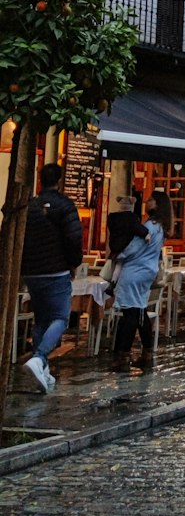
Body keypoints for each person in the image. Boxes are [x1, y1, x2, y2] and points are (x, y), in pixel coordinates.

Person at [20, 162, 82, 394]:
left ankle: (43, 370)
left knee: (41, 320)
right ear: (60, 180)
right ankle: (39, 357)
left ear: (39, 179)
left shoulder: (30, 206)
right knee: (60, 318)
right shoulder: (65, 205)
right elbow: (74, 238)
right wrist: (73, 263)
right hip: (56, 269)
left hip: (32, 271)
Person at [112, 198, 164, 371]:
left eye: (151, 199)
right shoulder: (161, 227)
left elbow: (134, 247)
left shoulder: (149, 226)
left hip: (134, 271)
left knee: (130, 314)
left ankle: (123, 357)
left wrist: (119, 255)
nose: (148, 201)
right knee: (140, 312)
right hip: (148, 270)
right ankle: (147, 354)